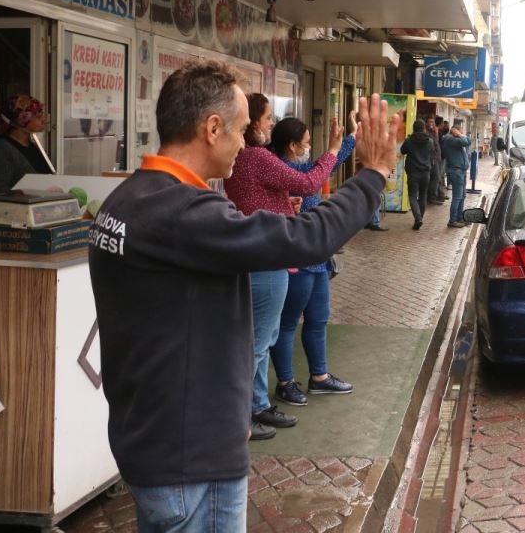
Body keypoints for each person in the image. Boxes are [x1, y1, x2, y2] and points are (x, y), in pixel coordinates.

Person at [88, 61, 395, 532]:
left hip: (154, 441)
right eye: (241, 130)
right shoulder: (181, 214)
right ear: (212, 128)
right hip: (192, 459)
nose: (248, 141)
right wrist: (371, 174)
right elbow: (306, 238)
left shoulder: (127, 200)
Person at [224, 93, 345, 440]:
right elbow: (307, 183)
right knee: (260, 341)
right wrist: (334, 150)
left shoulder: (246, 159)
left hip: (261, 254)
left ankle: (259, 404)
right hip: (267, 257)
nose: (269, 126)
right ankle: (245, 416)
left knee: (265, 337)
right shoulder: (257, 157)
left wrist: (280, 202)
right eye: (265, 120)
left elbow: (259, 197)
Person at [269, 116, 357, 408]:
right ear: (292, 146)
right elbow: (317, 171)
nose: (309, 148)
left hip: (317, 259)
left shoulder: (303, 167)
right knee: (287, 324)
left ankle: (319, 377)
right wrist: (340, 145)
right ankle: (285, 382)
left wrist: (348, 139)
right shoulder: (283, 169)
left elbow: (323, 166)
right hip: (296, 259)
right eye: (306, 144)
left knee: (318, 319)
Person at [0, 95, 53, 194]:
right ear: (22, 119)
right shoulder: (0, 150)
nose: (45, 120)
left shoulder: (33, 146)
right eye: (39, 116)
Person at [400, 119, 436, 230]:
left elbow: (402, 151)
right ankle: (419, 218)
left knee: (412, 196)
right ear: (424, 128)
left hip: (413, 173)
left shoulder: (409, 141)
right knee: (423, 196)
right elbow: (432, 153)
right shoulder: (430, 141)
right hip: (426, 173)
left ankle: (418, 218)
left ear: (414, 128)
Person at [442, 119, 471, 228]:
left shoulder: (453, 140)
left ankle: (459, 217)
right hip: (456, 171)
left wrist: (459, 134)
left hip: (460, 171)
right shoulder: (450, 139)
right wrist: (459, 134)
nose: (461, 134)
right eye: (460, 132)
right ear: (455, 131)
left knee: (462, 195)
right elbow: (467, 141)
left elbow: (467, 141)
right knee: (457, 197)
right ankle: (453, 220)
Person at [426, 115, 446, 204]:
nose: (432, 124)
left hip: (436, 159)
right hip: (431, 159)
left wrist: (436, 133)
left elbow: (436, 144)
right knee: (435, 177)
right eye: (430, 122)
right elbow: (431, 146)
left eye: (433, 122)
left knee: (435, 178)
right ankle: (431, 197)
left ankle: (433, 196)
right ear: (426, 123)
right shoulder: (426, 133)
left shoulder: (434, 132)